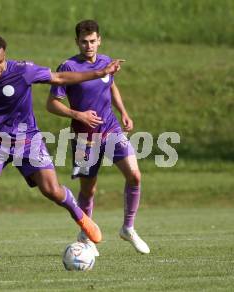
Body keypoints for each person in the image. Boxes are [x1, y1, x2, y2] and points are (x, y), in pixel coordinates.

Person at [0, 34, 123, 272]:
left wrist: (99, 73)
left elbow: (60, 77)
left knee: (51, 190)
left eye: (1, 61)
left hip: (28, 140)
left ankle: (81, 216)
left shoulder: (23, 71)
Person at [47, 20, 150, 255]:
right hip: (85, 137)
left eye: (92, 41)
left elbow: (110, 85)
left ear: (99, 40)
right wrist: (78, 114)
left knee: (134, 175)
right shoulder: (68, 67)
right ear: (77, 42)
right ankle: (86, 235)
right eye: (84, 41)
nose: (89, 45)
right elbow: (51, 104)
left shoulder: (106, 62)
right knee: (89, 190)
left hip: (111, 129)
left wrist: (123, 112)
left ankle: (128, 228)